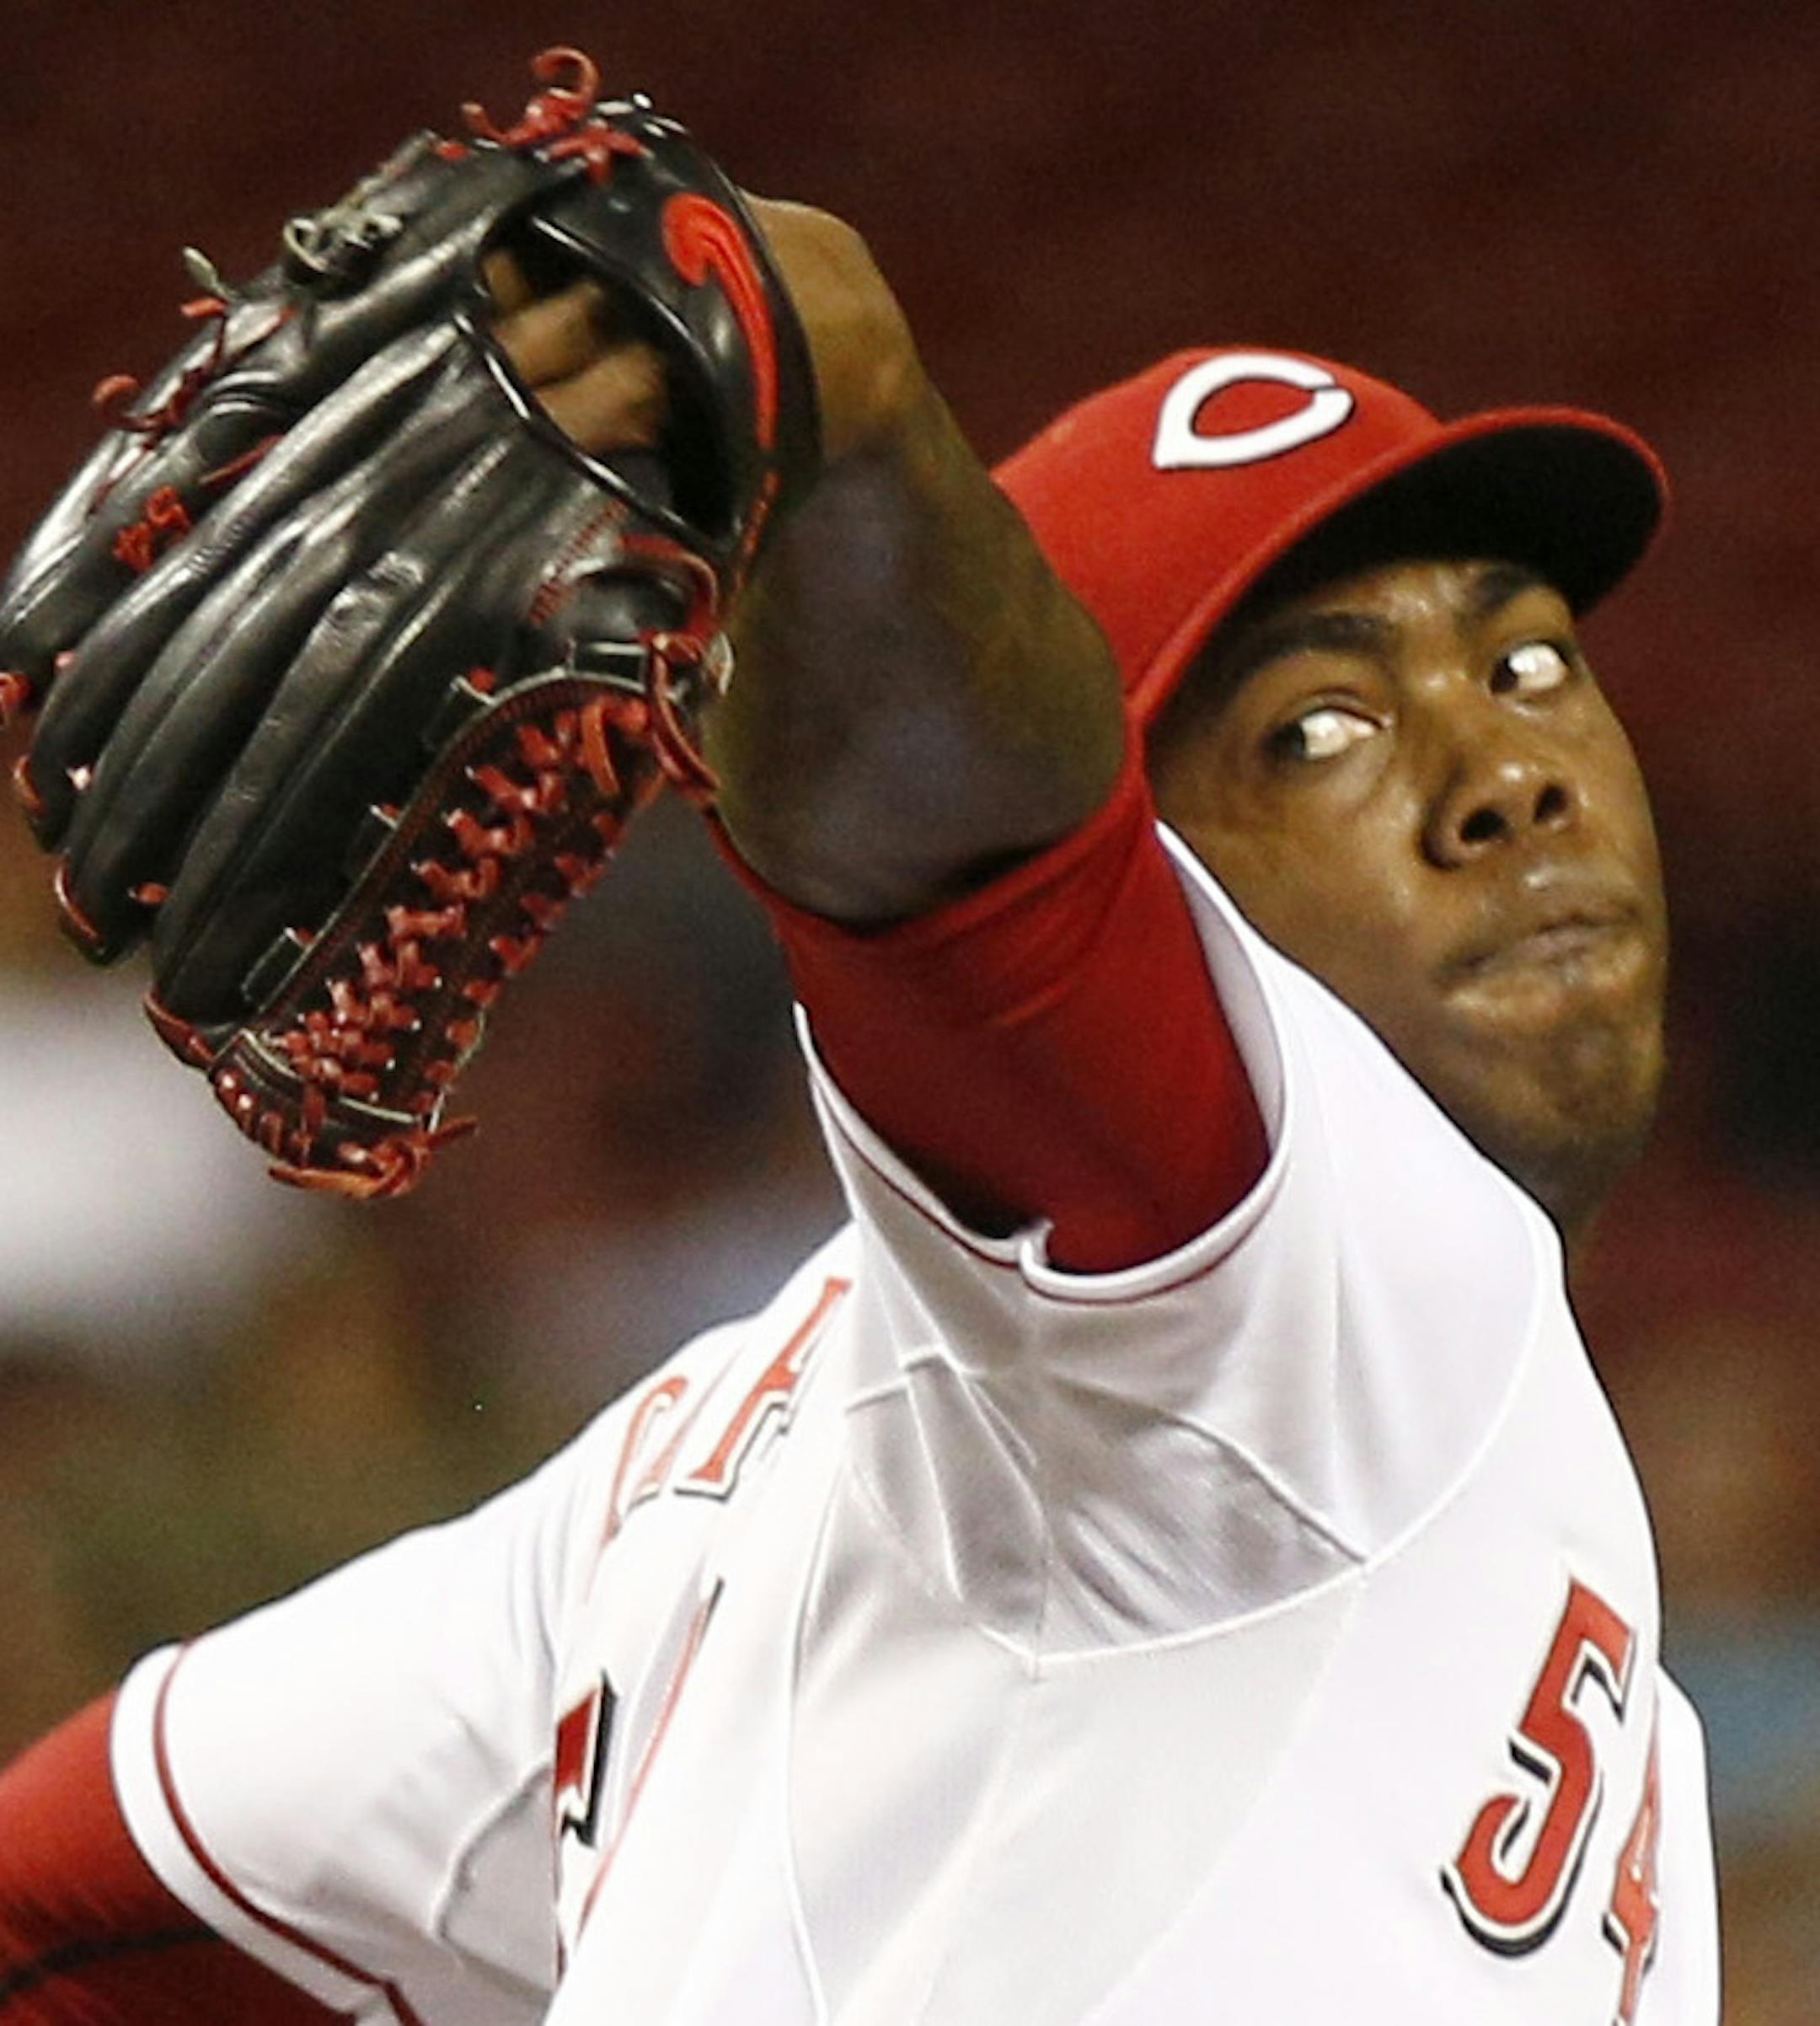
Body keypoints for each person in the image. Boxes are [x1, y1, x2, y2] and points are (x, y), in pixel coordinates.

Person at [0, 184, 1718, 2023]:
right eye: (1314, 730)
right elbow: (972, 869)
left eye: (1530, 664)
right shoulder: (1311, 1288)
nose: (1506, 775)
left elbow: (73, 1904)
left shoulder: (686, 1488)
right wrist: (857, 423)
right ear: (1146, 884)